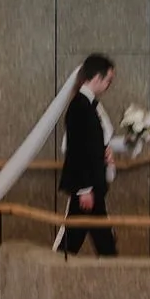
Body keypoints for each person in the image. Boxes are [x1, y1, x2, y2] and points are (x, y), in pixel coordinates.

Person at [56, 53, 119, 257]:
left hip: (92, 185)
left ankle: (111, 265)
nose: (109, 85)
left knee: (86, 239)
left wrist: (104, 153)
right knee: (95, 241)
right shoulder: (79, 106)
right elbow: (77, 150)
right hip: (88, 187)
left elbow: (90, 145)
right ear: (97, 78)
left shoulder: (87, 105)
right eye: (108, 80)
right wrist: (84, 189)